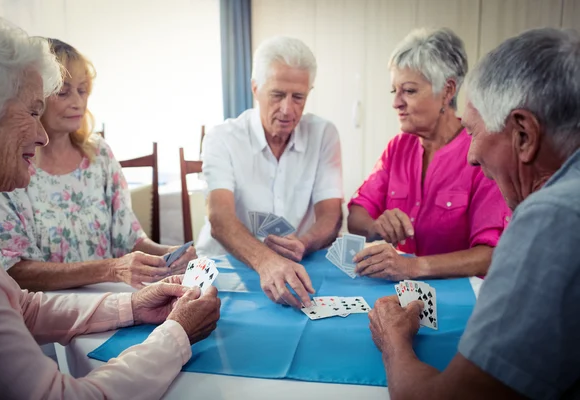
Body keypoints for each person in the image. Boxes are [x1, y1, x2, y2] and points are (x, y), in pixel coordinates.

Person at [0, 10, 221, 399]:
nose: (40, 135)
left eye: (83, 89)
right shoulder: (6, 183)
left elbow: (21, 308)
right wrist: (178, 332)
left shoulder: (98, 155)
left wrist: (133, 305)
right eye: (32, 110)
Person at [368, 27, 580, 399]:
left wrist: (393, 339)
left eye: (475, 131)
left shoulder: (552, 218)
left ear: (524, 135)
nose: (470, 155)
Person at [0, 38, 196, 291]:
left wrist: (170, 254)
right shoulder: (7, 167)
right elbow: (14, 270)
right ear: (35, 96)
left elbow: (128, 240)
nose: (77, 102)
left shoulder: (99, 154)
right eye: (63, 91)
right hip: (48, 314)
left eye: (82, 90)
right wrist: (111, 269)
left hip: (113, 301)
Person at [348, 28, 511, 281]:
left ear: (447, 91)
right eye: (395, 91)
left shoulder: (480, 153)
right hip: (398, 295)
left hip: (457, 299)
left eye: (409, 91)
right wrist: (375, 226)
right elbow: (357, 215)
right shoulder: (397, 147)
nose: (396, 102)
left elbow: (489, 255)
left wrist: (412, 268)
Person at [198, 36, 343, 308]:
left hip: (295, 267)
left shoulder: (324, 134)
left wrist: (304, 243)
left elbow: (331, 214)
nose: (288, 109)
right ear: (256, 88)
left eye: (298, 97)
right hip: (227, 270)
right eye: (277, 95)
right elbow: (220, 218)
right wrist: (266, 260)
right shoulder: (221, 137)